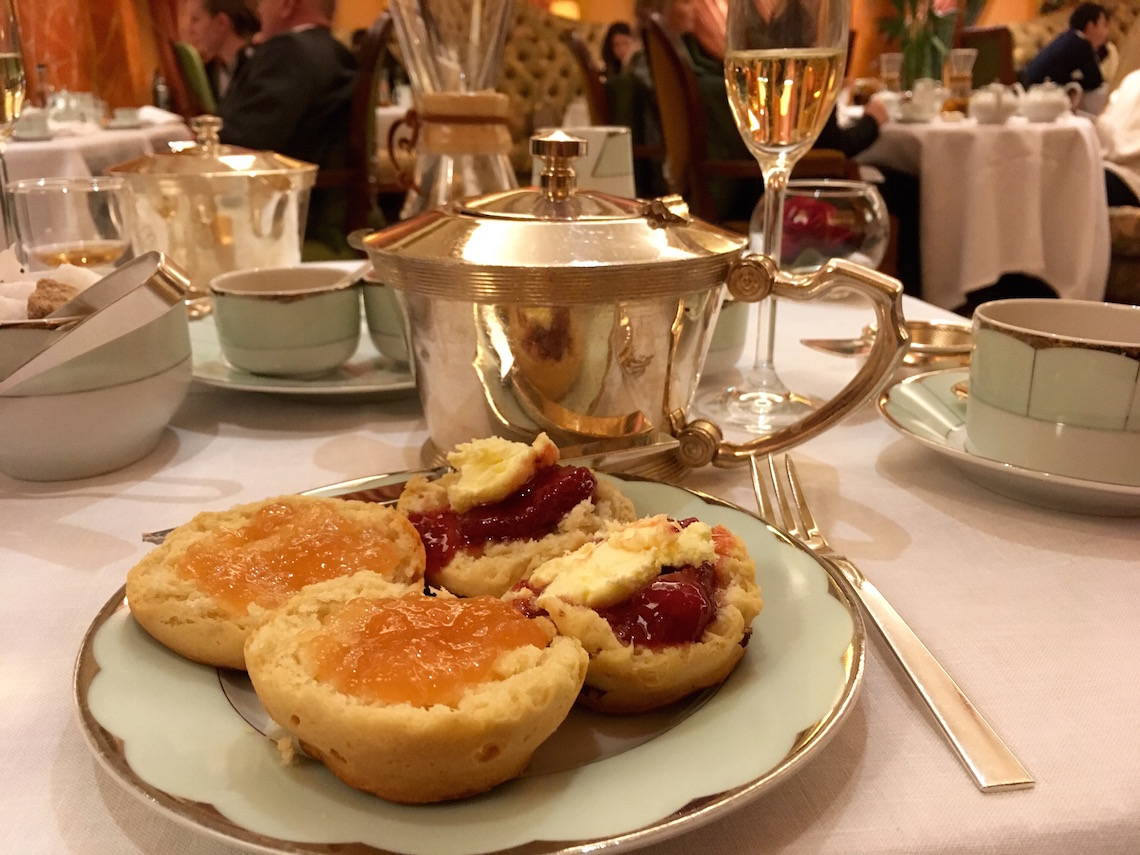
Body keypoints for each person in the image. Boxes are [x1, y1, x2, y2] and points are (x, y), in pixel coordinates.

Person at [217, 0, 356, 254]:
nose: (258, 8)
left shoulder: (289, 51)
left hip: (285, 221)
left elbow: (238, 145)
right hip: (325, 208)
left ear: (286, 4)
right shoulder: (334, 51)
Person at [1021, 3, 1111, 113]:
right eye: (1104, 26)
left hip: (1029, 89)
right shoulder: (1081, 44)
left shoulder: (1068, 37)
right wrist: (1074, 85)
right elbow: (1095, 81)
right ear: (1090, 26)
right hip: (1040, 96)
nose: (1107, 32)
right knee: (1102, 94)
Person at [181, 0, 259, 102]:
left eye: (195, 20)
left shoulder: (257, 67)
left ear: (221, 22)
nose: (190, 29)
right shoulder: (218, 70)